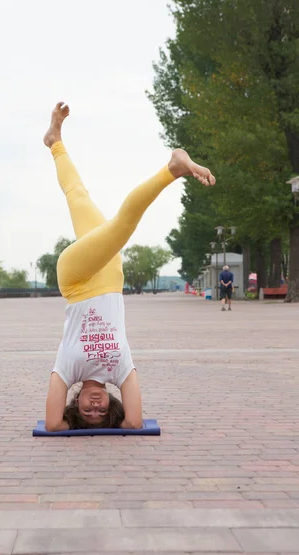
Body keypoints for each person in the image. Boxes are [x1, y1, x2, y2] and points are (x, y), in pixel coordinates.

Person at [44, 102, 216, 431]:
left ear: (75, 402)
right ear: (113, 402)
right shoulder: (119, 369)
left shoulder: (68, 369)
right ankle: (55, 142)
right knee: (77, 195)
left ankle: (173, 169)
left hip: (77, 280)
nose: (94, 409)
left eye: (86, 413)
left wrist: (72, 426)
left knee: (123, 225)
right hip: (111, 277)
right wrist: (115, 424)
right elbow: (134, 421)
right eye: (101, 412)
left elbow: (53, 425)